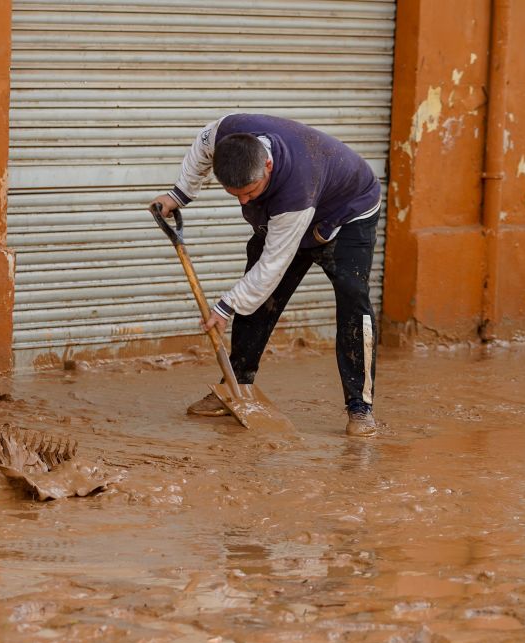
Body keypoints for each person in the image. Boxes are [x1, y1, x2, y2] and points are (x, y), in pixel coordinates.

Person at [151, 113, 381, 437]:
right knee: (257, 301)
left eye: (250, 191)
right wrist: (179, 194)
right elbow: (201, 147)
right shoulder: (225, 132)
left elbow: (273, 264)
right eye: (235, 194)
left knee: (353, 301)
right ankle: (236, 388)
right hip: (287, 214)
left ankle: (360, 408)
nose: (244, 201)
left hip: (347, 212)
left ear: (268, 168)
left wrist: (225, 305)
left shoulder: (295, 191)